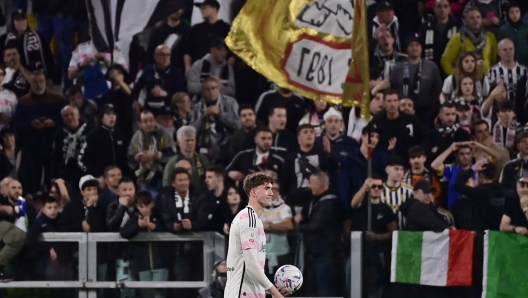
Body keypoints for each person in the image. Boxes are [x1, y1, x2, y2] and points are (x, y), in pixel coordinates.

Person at [224, 171, 290, 298]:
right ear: (254, 192)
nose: (271, 193)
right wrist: (276, 293)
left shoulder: (253, 219)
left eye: (272, 189)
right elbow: (251, 265)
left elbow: (248, 270)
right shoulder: (249, 220)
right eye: (267, 188)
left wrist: (271, 290)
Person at [294, 171, 344, 296]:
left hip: (326, 254)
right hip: (316, 254)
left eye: (310, 183)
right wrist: (302, 215)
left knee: (324, 290)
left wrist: (298, 226)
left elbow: (316, 226)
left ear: (317, 184)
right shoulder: (317, 200)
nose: (309, 186)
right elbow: (306, 211)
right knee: (314, 290)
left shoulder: (329, 203)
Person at [14, 69, 66, 188]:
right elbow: (17, 127)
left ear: (45, 82)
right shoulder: (23, 102)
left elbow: (65, 123)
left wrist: (54, 123)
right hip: (31, 148)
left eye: (41, 81)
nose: (38, 84)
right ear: (30, 83)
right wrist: (31, 125)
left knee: (52, 180)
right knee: (32, 181)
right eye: (35, 82)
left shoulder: (58, 100)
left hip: (52, 146)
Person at [350, 175, 397, 298]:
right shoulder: (362, 204)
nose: (376, 189)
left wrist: (376, 237)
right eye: (373, 186)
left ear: (382, 189)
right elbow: (353, 204)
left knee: (375, 285)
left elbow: (393, 233)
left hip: (377, 252)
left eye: (379, 186)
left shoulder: (386, 210)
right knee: (354, 284)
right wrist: (365, 186)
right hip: (357, 252)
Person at [120, 190, 167, 298]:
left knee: (160, 295)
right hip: (142, 265)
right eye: (141, 206)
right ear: (136, 206)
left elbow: (167, 227)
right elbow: (124, 233)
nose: (144, 209)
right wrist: (138, 226)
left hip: (161, 264)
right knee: (147, 295)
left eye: (147, 205)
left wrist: (152, 226)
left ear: (152, 204)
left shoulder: (159, 215)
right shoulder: (134, 217)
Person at [390, 37, 443, 126]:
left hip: (425, 112)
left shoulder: (431, 67)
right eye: (411, 45)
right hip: (402, 111)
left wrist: (432, 112)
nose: (415, 48)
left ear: (421, 48)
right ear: (406, 49)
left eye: (417, 45)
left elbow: (437, 90)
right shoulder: (398, 68)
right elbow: (393, 89)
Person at [0, 9, 57, 84]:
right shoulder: (4, 39)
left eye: (23, 19)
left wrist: (50, 77)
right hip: (12, 79)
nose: (21, 22)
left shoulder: (38, 37)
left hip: (35, 77)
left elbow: (48, 57)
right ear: (13, 22)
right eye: (17, 20)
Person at [191, 77, 240, 164]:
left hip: (227, 144)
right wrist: (203, 117)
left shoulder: (230, 103)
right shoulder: (197, 107)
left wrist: (220, 114)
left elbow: (237, 125)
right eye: (207, 89)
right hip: (203, 146)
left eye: (213, 88)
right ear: (202, 91)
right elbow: (191, 130)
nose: (211, 92)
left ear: (219, 89)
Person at [128, 109, 175, 196]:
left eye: (151, 120)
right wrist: (136, 158)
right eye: (145, 121)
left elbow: (172, 154)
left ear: (155, 121)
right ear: (139, 124)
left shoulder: (163, 133)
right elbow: (129, 158)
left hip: (163, 174)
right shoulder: (136, 137)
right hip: (144, 177)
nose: (149, 124)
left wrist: (155, 154)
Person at [78, 104, 132, 179]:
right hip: (101, 179)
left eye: (113, 114)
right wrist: (97, 175)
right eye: (108, 114)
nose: (112, 116)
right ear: (101, 118)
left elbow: (126, 157)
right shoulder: (92, 136)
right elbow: (82, 160)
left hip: (120, 178)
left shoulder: (120, 134)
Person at [371, 89, 426, 160]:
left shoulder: (411, 120)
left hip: (408, 162)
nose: (392, 104)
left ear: (399, 103)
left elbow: (426, 136)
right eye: (389, 101)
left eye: (395, 100)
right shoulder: (377, 121)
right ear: (384, 103)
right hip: (384, 162)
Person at [441, 6, 498, 75]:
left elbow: (494, 60)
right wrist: (456, 77)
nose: (476, 20)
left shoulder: (490, 37)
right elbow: (445, 60)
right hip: (466, 83)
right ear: (465, 21)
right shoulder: (458, 38)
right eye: (472, 18)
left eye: (478, 17)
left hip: (486, 80)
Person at [51, 105, 93, 192]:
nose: (69, 117)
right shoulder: (60, 133)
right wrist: (54, 176)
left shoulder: (90, 131)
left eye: (72, 114)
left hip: (86, 173)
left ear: (78, 115)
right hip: (66, 174)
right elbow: (56, 156)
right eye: (66, 115)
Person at [132, 44, 186, 112]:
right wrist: (135, 100)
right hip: (150, 108)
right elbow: (137, 87)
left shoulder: (177, 73)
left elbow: (181, 96)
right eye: (162, 54)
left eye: (168, 55)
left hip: (168, 109)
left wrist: (165, 94)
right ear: (155, 56)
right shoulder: (149, 69)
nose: (165, 58)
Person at [454, 159, 505, 230]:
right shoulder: (503, 190)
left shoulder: (477, 192)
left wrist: (472, 169)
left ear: (481, 175)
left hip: (482, 235)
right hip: (499, 235)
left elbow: (457, 184)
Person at [183, 0, 231, 75]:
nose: (202, 10)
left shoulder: (226, 29)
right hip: (198, 70)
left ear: (214, 9)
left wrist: (226, 70)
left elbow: (232, 54)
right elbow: (188, 50)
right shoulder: (196, 29)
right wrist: (187, 67)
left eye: (204, 7)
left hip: (218, 71)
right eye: (201, 8)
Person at [260, 180, 293, 280]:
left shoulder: (284, 208)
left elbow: (289, 225)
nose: (272, 192)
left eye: (275, 189)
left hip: (281, 254)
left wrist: (269, 226)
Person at [418, 0, 460, 74]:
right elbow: (420, 46)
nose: (442, 9)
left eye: (445, 6)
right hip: (429, 69)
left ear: (449, 8)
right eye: (439, 6)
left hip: (450, 68)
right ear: (434, 8)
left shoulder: (457, 26)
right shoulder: (426, 26)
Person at [162, 126, 211, 190]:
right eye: (187, 140)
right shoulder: (173, 163)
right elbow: (166, 186)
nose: (190, 143)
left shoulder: (203, 159)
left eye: (192, 140)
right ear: (178, 143)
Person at [25, 196, 61, 281]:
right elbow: (30, 240)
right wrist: (47, 248)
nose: (53, 210)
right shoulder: (38, 222)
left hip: (60, 259)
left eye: (55, 207)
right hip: (42, 260)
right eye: (49, 208)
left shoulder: (61, 220)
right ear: (44, 209)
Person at [431, 142, 475, 209]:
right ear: (457, 155)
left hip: (472, 211)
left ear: (471, 155)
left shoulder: (477, 170)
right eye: (462, 154)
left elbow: (497, 157)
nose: (465, 156)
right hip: (454, 211)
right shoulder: (452, 169)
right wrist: (450, 149)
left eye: (468, 153)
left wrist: (479, 146)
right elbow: (434, 165)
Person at [146, 4, 190, 70]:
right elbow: (150, 54)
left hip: (180, 74)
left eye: (179, 7)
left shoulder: (188, 31)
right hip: (159, 73)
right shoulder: (158, 31)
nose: (177, 10)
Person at [499, 2, 528, 67]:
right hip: (510, 63)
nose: (515, 14)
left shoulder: (526, 27)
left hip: (526, 62)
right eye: (511, 12)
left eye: (517, 11)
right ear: (507, 14)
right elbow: (500, 49)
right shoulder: (503, 30)